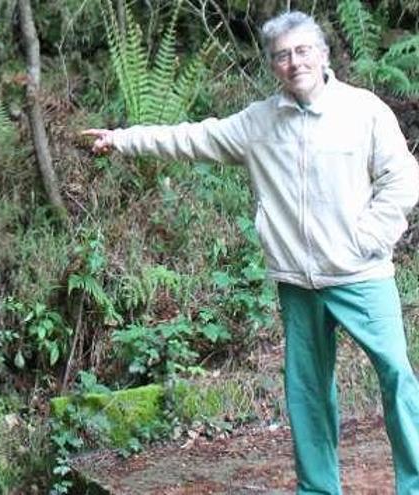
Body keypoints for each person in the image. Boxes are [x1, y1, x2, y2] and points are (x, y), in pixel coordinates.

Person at [82, 10, 419, 495]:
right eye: (282, 55)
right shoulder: (258, 123)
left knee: (397, 377)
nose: (293, 62)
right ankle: (318, 488)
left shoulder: (363, 111)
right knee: (306, 392)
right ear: (271, 65)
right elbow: (190, 138)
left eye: (303, 50)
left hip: (361, 275)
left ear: (322, 55)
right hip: (297, 283)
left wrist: (369, 237)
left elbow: (402, 179)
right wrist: (121, 140)